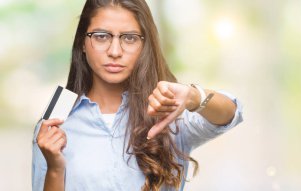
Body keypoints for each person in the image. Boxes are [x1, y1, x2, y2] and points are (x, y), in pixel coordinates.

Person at [32, 0, 243, 190]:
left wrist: (193, 97)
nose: (115, 51)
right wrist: (55, 169)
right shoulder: (55, 124)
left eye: (130, 38)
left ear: (144, 45)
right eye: (101, 36)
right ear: (82, 43)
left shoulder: (168, 111)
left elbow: (231, 113)